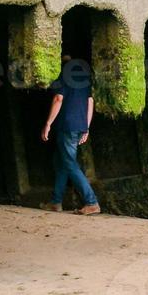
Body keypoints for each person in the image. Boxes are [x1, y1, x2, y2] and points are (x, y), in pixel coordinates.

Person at [40, 55, 101, 216]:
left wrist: (48, 123)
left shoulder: (63, 75)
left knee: (69, 163)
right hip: (79, 125)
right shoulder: (84, 77)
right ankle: (55, 202)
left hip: (66, 126)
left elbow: (58, 99)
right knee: (61, 163)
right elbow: (90, 102)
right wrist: (86, 127)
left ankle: (91, 202)